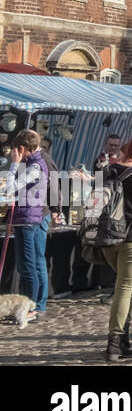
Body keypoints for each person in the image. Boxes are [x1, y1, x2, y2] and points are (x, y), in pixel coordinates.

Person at [99, 133, 132, 359]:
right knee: (125, 288)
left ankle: (123, 341)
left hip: (107, 237)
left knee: (128, 288)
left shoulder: (106, 171)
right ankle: (114, 341)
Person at [8, 129, 50, 323]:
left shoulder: (35, 166)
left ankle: (30, 307)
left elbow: (11, 187)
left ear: (23, 148)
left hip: (28, 219)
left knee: (28, 266)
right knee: (26, 264)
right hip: (26, 217)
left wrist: (14, 165)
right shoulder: (33, 163)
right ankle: (28, 306)